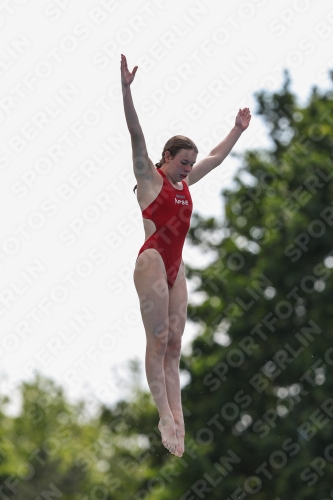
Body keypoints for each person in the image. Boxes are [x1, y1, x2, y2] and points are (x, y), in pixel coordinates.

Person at [120, 53, 251, 457]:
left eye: (190, 166)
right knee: (158, 339)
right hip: (153, 259)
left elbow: (214, 157)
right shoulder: (149, 177)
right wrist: (126, 90)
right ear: (167, 158)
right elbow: (136, 136)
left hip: (177, 268)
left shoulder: (186, 180)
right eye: (182, 163)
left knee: (176, 345)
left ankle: (178, 419)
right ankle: (162, 415)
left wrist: (237, 130)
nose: (187, 170)